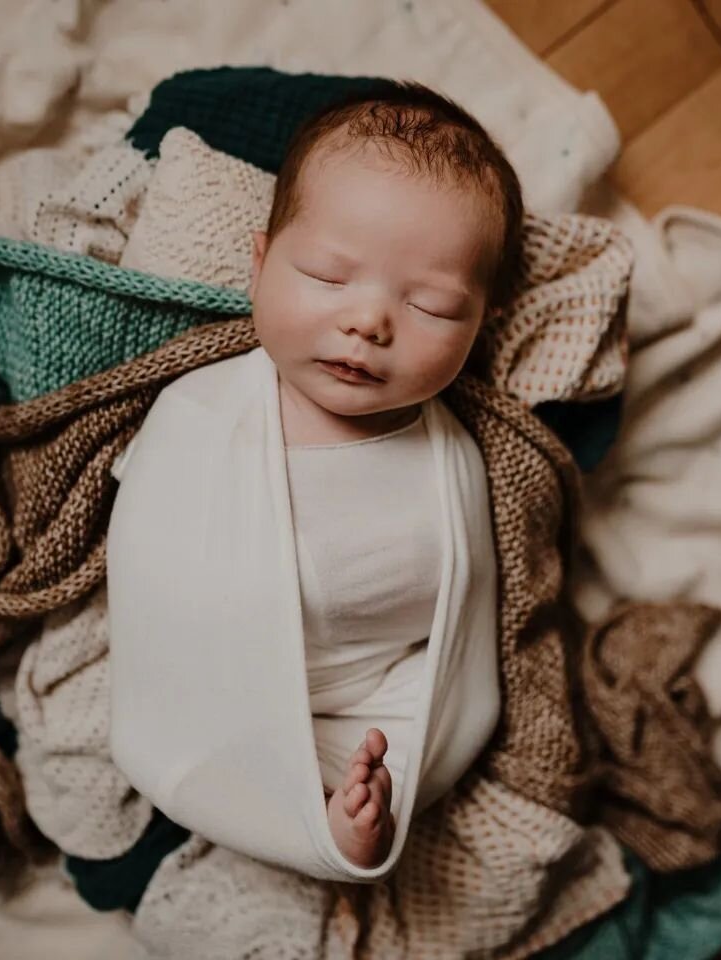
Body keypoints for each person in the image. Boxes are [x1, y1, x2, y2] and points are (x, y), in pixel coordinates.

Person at [109, 81, 524, 875]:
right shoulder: (197, 415)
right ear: (260, 263)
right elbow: (149, 580)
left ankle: (352, 819)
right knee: (169, 741)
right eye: (330, 277)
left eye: (433, 306)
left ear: (481, 326)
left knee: (418, 739)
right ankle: (289, 820)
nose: (369, 322)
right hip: (217, 684)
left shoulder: (458, 459)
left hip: (377, 696)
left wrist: (402, 751)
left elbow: (463, 640)